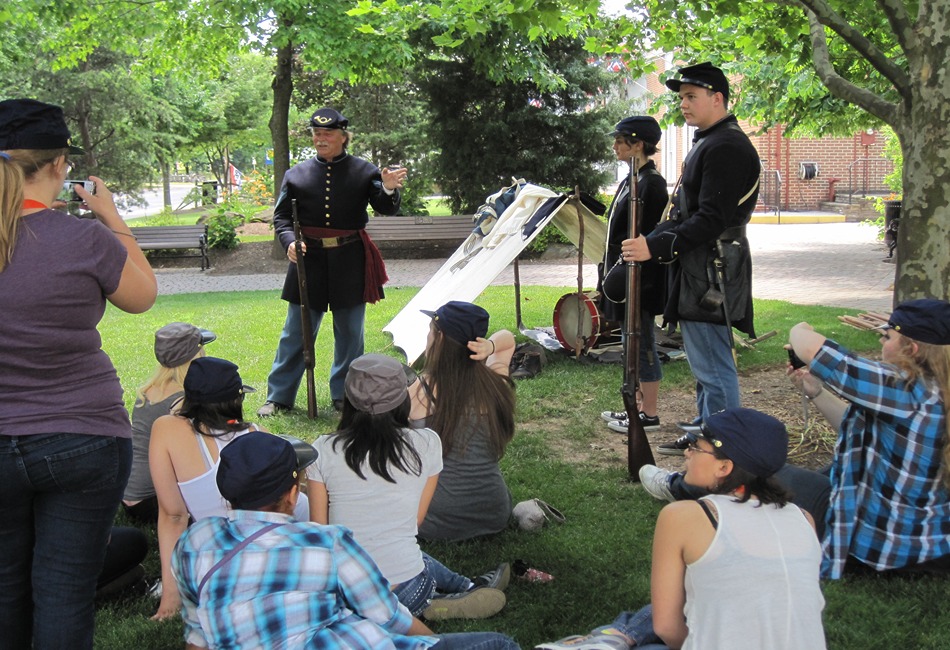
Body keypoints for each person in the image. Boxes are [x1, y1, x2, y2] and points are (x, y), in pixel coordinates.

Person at [0, 98, 157, 649]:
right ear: (59, 164)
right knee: (64, 591)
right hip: (82, 436)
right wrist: (111, 216)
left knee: (5, 589)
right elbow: (143, 296)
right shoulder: (83, 237)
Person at [173, 430, 520, 649]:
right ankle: (453, 592)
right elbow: (387, 616)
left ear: (227, 493)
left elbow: (198, 631)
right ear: (293, 495)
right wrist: (433, 644)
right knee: (498, 643)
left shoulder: (194, 543)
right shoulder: (326, 543)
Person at [536, 409, 826, 650]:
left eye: (696, 446)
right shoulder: (803, 518)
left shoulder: (684, 516)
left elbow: (667, 627)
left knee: (653, 639)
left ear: (724, 467)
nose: (686, 452)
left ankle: (611, 637)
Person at [622, 62, 760, 456]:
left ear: (717, 98)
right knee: (705, 365)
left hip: (712, 270)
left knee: (714, 368)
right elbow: (686, 213)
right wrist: (651, 239)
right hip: (702, 266)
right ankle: (706, 431)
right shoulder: (712, 141)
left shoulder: (727, 147)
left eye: (691, 96)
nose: (683, 104)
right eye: (681, 96)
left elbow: (711, 219)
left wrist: (658, 247)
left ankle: (722, 450)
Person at [307, 353, 509, 621]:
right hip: (412, 587)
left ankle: (457, 591)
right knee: (401, 544)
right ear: (402, 399)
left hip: (346, 594)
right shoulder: (427, 443)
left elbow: (320, 534)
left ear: (348, 401)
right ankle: (450, 594)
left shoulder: (322, 449)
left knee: (381, 545)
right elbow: (415, 520)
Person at [778, 298, 950, 578]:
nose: (882, 342)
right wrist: (817, 392)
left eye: (887, 336)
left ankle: (686, 489)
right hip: (932, 547)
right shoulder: (934, 391)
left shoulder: (902, 388)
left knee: (768, 472)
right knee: (823, 474)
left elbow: (810, 348)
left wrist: (799, 327)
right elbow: (859, 428)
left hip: (885, 550)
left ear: (912, 349)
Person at [258, 107, 408, 417]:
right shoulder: (295, 174)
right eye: (316, 134)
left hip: (349, 260)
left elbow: (385, 206)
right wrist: (289, 243)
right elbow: (282, 217)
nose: (320, 138)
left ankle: (345, 395)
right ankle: (279, 397)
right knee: (296, 334)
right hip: (307, 261)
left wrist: (389, 187)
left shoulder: (364, 171)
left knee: (351, 335)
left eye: (327, 134)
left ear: (343, 137)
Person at [148, 356, 310, 620]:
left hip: (221, 567)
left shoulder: (166, 429)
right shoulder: (262, 435)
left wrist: (170, 598)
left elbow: (173, 516)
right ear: (236, 400)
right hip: (283, 557)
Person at [408, 301, 517, 541]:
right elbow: (507, 340)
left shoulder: (420, 391)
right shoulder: (495, 383)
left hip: (435, 521)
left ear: (440, 338)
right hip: (495, 514)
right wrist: (491, 346)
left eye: (430, 330)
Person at [596, 116, 669, 434]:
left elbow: (648, 239)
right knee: (631, 341)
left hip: (641, 277)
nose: (615, 146)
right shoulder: (633, 179)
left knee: (641, 342)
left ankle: (649, 413)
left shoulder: (652, 183)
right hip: (625, 273)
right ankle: (636, 407)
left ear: (638, 144)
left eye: (620, 140)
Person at [123, 322, 216, 524]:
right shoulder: (181, 401)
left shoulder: (149, 390)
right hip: (152, 500)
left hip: (130, 495)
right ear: (194, 357)